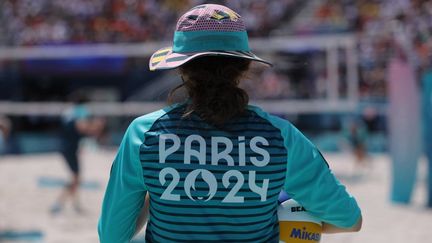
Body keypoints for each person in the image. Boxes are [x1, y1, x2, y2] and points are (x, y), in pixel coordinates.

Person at [98, 4, 362, 242]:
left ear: (181, 69)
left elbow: (112, 236)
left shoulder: (144, 135)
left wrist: (154, 188)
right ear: (244, 68)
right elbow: (350, 220)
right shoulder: (282, 138)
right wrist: (285, 222)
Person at [50, 94, 105, 214]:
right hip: (69, 148)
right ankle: (59, 203)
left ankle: (75, 204)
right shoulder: (80, 112)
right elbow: (82, 128)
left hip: (67, 147)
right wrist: (97, 127)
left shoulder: (68, 112)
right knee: (76, 177)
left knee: (76, 177)